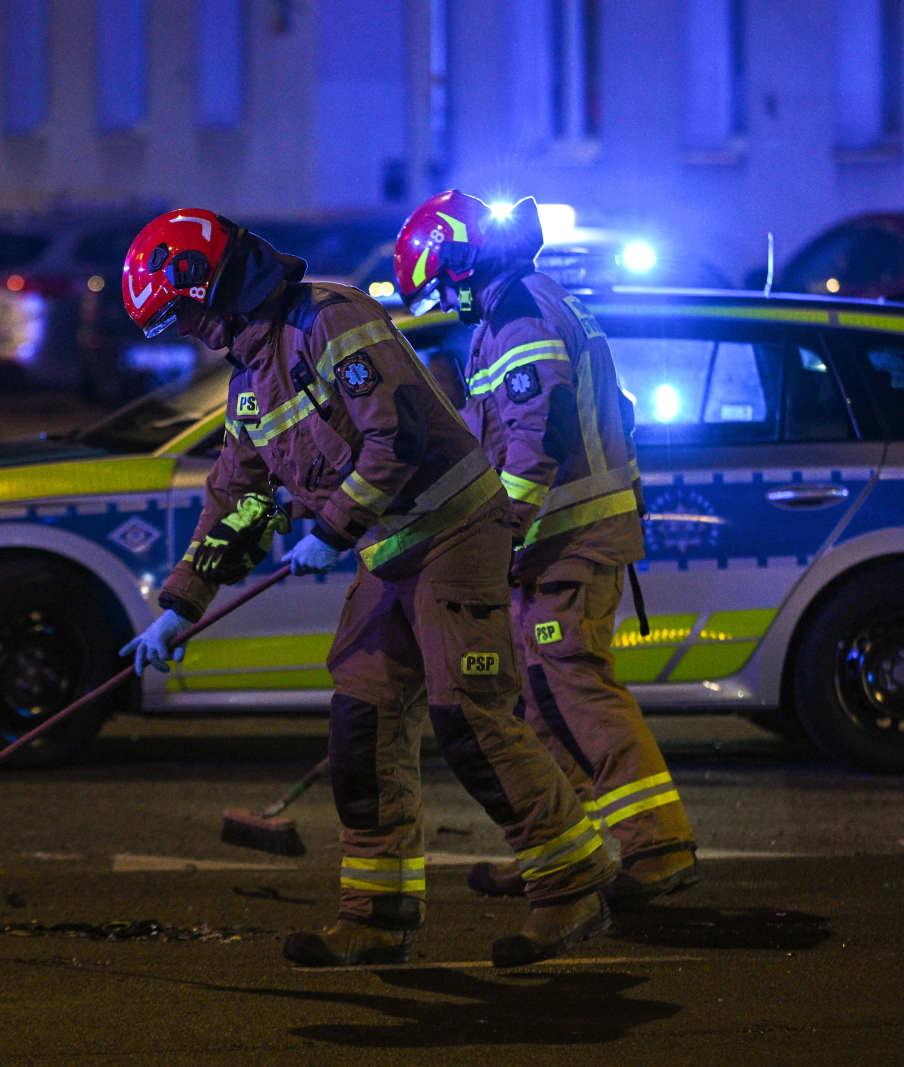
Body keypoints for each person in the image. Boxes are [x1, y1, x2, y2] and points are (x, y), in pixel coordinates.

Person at [118, 208, 616, 968]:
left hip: (453, 533)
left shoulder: (329, 317)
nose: (190, 331)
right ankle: (375, 915)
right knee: (363, 722)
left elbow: (396, 435)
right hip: (390, 551)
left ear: (210, 284)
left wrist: (331, 529)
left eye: (184, 313)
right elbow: (237, 499)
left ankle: (572, 881)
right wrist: (178, 607)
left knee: (468, 718)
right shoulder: (252, 381)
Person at [394, 191, 700, 906]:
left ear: (465, 263)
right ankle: (566, 845)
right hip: (553, 540)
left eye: (444, 284)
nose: (448, 301)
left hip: (568, 538)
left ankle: (658, 841)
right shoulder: (524, 304)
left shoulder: (517, 313)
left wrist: (499, 529)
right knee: (540, 693)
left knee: (577, 686)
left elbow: (540, 435)